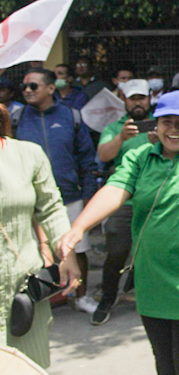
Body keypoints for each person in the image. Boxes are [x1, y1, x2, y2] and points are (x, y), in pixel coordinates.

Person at [58, 90, 179, 375]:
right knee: (164, 361)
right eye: (167, 121)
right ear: (155, 124)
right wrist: (78, 228)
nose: (174, 129)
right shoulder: (139, 157)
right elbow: (115, 189)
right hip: (152, 280)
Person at [0, 103, 82, 370]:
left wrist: (66, 253)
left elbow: (50, 208)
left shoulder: (28, 154)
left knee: (28, 365)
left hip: (20, 289)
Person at [14, 68, 98, 314]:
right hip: (30, 200)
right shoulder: (17, 118)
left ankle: (81, 296)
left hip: (69, 196)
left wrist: (88, 193)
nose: (27, 91)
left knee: (77, 250)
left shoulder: (71, 116)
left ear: (51, 88)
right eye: (25, 87)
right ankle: (40, 299)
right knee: (37, 252)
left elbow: (86, 157)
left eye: (33, 86)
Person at [93, 79, 153, 325]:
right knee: (116, 252)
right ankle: (108, 297)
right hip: (123, 202)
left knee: (152, 253)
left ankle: (147, 296)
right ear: (124, 100)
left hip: (154, 200)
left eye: (142, 97)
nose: (137, 103)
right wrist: (120, 138)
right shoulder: (115, 127)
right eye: (132, 98)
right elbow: (104, 155)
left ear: (150, 98)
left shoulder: (161, 124)